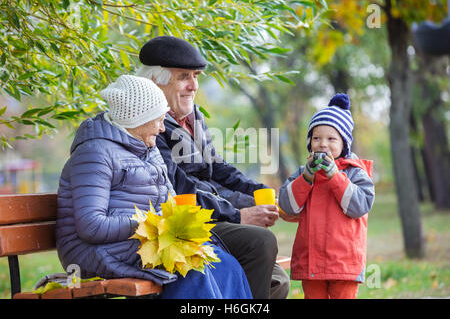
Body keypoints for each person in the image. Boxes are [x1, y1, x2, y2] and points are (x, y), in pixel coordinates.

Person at [55, 74, 252, 299]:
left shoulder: (148, 149)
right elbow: (90, 226)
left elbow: (168, 199)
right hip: (93, 251)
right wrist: (150, 223)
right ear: (137, 118)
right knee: (191, 270)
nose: (162, 129)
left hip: (140, 242)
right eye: (158, 120)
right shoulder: (94, 153)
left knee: (224, 263)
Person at [136, 36, 290, 299]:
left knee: (278, 281)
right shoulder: (149, 125)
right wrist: (239, 213)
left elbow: (217, 169)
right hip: (183, 222)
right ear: (155, 81)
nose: (193, 85)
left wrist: (259, 193)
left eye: (196, 76)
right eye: (184, 76)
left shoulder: (192, 116)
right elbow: (181, 186)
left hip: (209, 215)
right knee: (261, 245)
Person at [277, 93, 375, 299]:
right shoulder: (304, 172)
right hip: (312, 262)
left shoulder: (355, 172)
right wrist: (306, 177)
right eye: (316, 138)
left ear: (344, 144)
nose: (323, 144)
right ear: (309, 142)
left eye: (331, 139)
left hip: (343, 263)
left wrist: (334, 176)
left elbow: (360, 206)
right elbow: (288, 205)